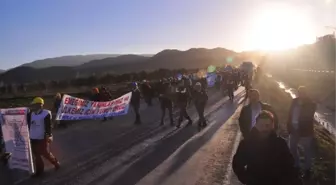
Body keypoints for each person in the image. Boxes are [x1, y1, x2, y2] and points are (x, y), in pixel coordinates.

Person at [233, 111, 302, 185]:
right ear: (256, 125)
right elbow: (237, 164)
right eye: (261, 125)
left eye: (267, 125)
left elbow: (289, 165)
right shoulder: (246, 143)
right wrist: (248, 180)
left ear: (272, 126)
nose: (264, 128)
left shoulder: (280, 143)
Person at [287, 86, 316, 179]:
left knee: (307, 151)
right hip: (293, 130)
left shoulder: (311, 104)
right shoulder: (294, 101)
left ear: (306, 93)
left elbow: (308, 117)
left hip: (306, 132)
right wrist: (289, 127)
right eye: (300, 92)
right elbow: (290, 114)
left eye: (303, 92)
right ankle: (297, 164)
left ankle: (307, 170)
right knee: (292, 148)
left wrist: (299, 130)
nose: (301, 94)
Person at [28, 97, 60, 177]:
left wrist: (49, 135)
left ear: (40, 105)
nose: (33, 106)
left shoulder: (46, 113)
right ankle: (39, 171)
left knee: (45, 153)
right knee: (36, 155)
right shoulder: (31, 113)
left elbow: (48, 126)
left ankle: (55, 163)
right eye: (33, 105)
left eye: (35, 105)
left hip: (42, 138)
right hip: (33, 138)